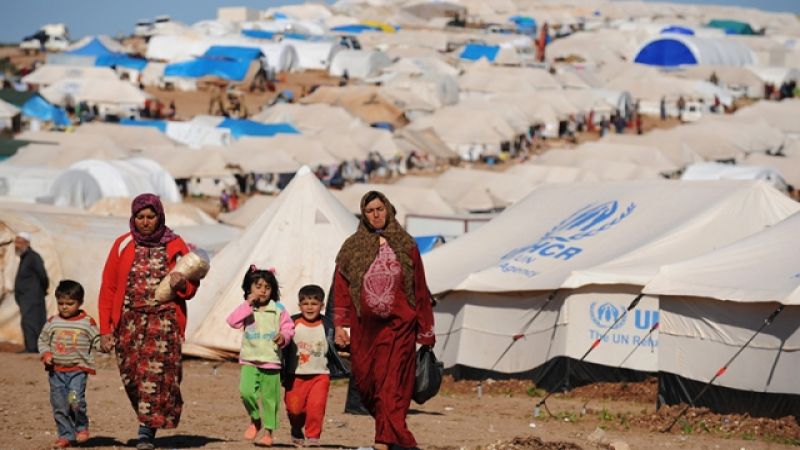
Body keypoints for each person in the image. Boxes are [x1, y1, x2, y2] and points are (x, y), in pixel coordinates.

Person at [332, 191, 436, 450]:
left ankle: (387, 441)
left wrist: (426, 330)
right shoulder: (352, 247)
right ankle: (394, 438)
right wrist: (340, 325)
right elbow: (341, 287)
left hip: (400, 326)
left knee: (392, 386)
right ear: (363, 215)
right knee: (367, 383)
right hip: (365, 330)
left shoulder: (406, 244)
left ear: (388, 209)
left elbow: (419, 288)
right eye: (370, 211)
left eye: (380, 209)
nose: (376, 215)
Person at [98, 193, 199, 450]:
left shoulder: (175, 244)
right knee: (132, 376)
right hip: (129, 321)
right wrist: (105, 329)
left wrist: (182, 284)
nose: (145, 222)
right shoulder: (122, 244)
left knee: (153, 377)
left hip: (164, 321)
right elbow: (109, 288)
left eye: (150, 217)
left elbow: (192, 284)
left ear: (159, 216)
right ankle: (151, 415)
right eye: (140, 217)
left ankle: (146, 431)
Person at [227, 266, 294, 447]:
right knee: (246, 392)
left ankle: (269, 433)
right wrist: (247, 304)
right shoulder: (247, 309)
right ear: (249, 288)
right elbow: (232, 321)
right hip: (250, 359)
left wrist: (283, 337)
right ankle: (255, 419)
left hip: (271, 361)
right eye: (258, 286)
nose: (263, 291)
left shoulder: (278, 309)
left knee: (270, 399)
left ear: (272, 290)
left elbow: (289, 328)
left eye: (267, 287)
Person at [282, 284, 349, 447]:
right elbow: (282, 340)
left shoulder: (328, 325)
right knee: (294, 409)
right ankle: (296, 428)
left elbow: (335, 344)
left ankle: (313, 436)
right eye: (305, 303)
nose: (310, 307)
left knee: (316, 407)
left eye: (314, 303)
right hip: (295, 375)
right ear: (299, 305)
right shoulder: (291, 323)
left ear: (322, 305)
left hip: (320, 375)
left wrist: (343, 344)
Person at [38, 280, 101, 449]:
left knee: (75, 400)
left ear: (80, 302)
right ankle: (66, 435)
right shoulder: (53, 322)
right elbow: (43, 340)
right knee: (59, 405)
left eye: (70, 303)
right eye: (61, 303)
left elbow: (97, 340)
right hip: (56, 372)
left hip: (77, 371)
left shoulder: (87, 322)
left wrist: (106, 344)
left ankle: (81, 428)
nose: (64, 307)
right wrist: (46, 354)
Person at [14, 231, 49, 353]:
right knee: (29, 321)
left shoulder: (33, 257)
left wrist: (42, 290)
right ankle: (32, 347)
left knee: (32, 322)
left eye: (19, 242)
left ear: (27, 243)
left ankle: (33, 348)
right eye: (16, 242)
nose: (16, 245)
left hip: (33, 296)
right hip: (26, 297)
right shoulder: (25, 258)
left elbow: (43, 275)